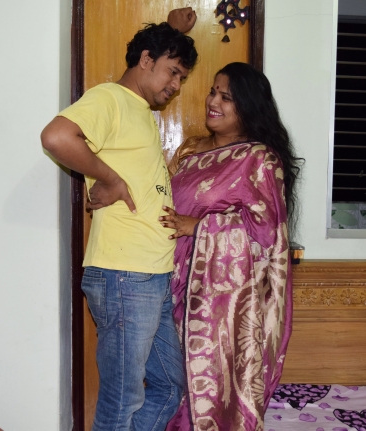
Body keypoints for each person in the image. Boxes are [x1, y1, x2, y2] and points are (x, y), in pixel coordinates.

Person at [41, 17, 198, 431]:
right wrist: (109, 179)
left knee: (169, 387)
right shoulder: (110, 97)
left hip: (152, 275)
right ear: (146, 60)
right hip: (125, 277)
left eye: (182, 78)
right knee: (123, 399)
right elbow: (57, 137)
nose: (176, 85)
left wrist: (173, 30)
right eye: (173, 73)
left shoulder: (139, 110)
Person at [160, 62, 303, 431]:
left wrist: (199, 227)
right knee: (170, 382)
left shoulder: (259, 160)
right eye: (213, 92)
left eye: (227, 97)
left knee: (211, 385)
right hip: (170, 281)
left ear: (249, 107)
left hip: (224, 302)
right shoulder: (191, 150)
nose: (213, 102)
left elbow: (266, 234)